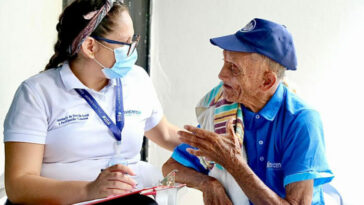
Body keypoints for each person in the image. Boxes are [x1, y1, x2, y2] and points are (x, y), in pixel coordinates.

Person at [3, 0, 180, 204]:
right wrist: (90, 189)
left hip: (126, 199)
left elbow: (165, 133)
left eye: (135, 41)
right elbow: (19, 184)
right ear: (90, 46)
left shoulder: (137, 79)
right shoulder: (37, 93)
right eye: (126, 43)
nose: (132, 50)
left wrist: (212, 144)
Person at [162, 18, 334, 205]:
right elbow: (171, 169)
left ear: (266, 81)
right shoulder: (225, 113)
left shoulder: (302, 121)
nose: (221, 74)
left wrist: (233, 163)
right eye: (224, 62)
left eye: (234, 68)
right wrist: (207, 184)